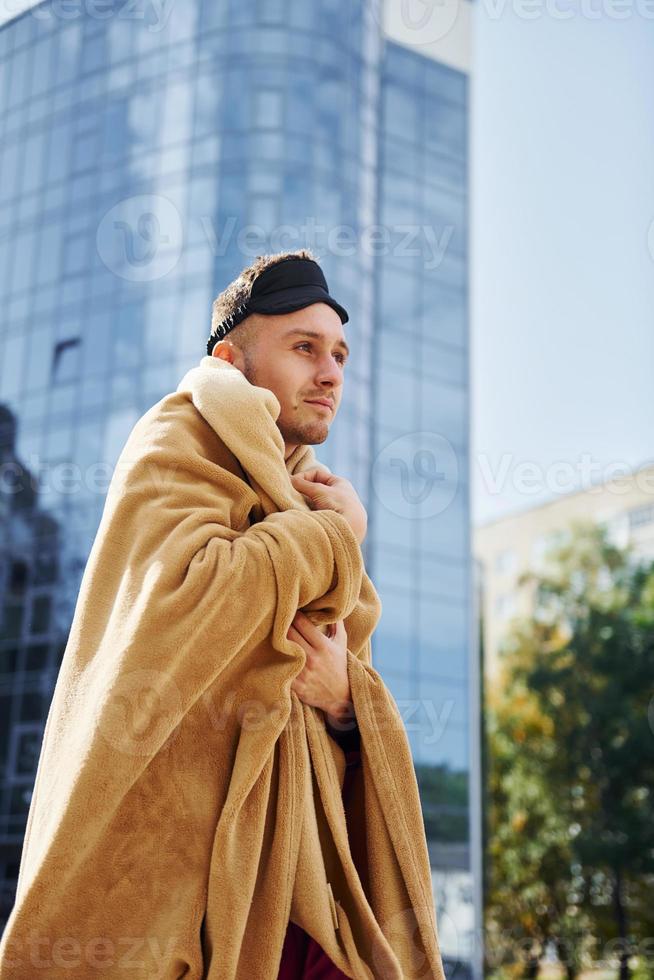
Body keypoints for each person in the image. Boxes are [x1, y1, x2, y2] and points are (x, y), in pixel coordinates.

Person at [207, 248, 364, 977]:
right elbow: (201, 601)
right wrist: (336, 536)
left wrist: (345, 703)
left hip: (311, 885)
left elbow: (350, 673)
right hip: (197, 880)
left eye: (338, 354)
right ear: (231, 360)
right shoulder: (177, 445)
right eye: (304, 348)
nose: (330, 373)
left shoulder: (320, 497)